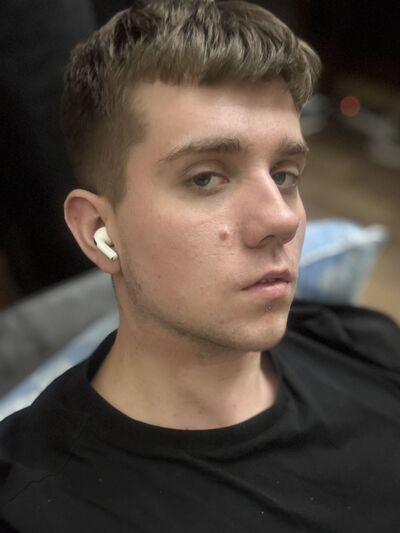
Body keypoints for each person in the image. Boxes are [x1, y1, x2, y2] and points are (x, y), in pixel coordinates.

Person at [0, 1, 399, 531]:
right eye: (206, 178)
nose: (281, 219)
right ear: (98, 229)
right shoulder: (33, 507)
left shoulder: (363, 343)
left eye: (284, 174)